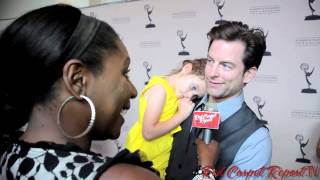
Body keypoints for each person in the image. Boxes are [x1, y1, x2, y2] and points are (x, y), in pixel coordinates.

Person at [0, 4, 160, 180]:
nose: (133, 91)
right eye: (124, 72)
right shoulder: (125, 178)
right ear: (77, 80)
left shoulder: (8, 157)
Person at [166, 21, 272, 180]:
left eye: (226, 66)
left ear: (248, 74)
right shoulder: (183, 101)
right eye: (210, 61)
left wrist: (206, 167)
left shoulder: (256, 141)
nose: (212, 73)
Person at [125, 58, 208, 179]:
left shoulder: (174, 96)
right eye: (193, 87)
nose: (189, 95)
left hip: (158, 164)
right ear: (187, 68)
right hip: (143, 159)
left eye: (195, 96)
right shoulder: (160, 89)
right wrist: (181, 115)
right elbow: (148, 132)